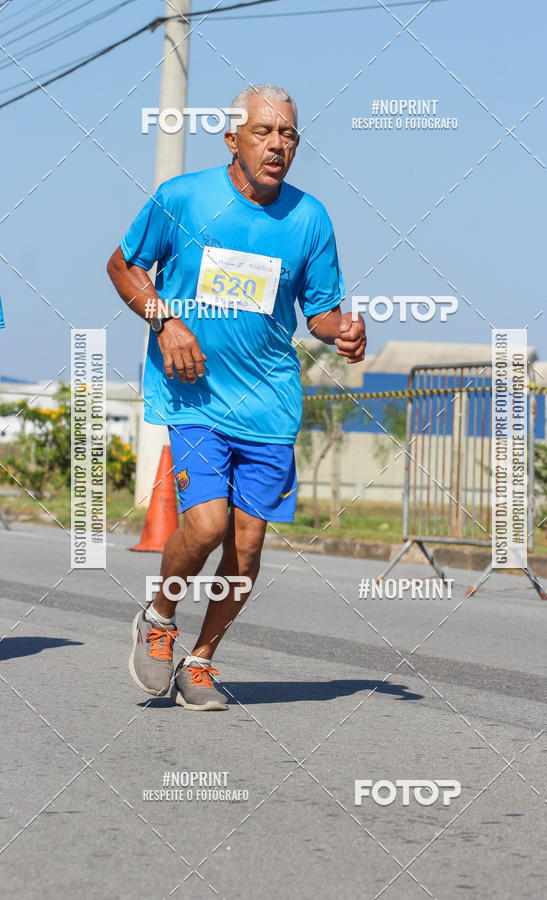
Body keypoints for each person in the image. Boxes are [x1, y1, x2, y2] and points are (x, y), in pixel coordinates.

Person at [107, 84, 366, 711]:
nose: (278, 146)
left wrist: (345, 333)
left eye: (290, 136)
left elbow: (321, 311)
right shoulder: (184, 198)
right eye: (265, 133)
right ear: (233, 139)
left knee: (246, 545)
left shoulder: (310, 218)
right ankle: (161, 615)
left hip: (270, 403)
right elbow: (122, 266)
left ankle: (201, 661)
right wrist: (165, 321)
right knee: (206, 522)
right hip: (195, 394)